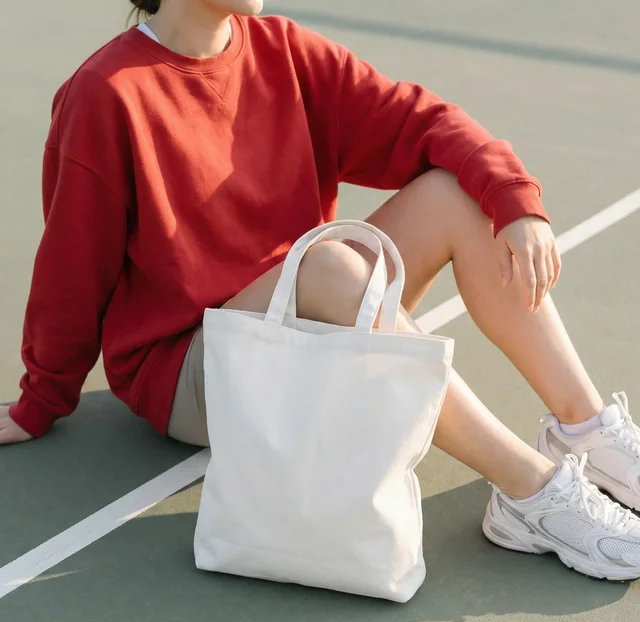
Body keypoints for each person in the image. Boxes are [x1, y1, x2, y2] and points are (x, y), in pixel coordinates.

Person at [2, 0, 640, 580]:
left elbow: (423, 121)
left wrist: (513, 198)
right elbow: (70, 269)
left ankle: (584, 430)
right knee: (329, 267)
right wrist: (41, 399)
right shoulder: (105, 94)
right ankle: (530, 492)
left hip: (306, 314)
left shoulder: (282, 50)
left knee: (458, 195)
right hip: (193, 374)